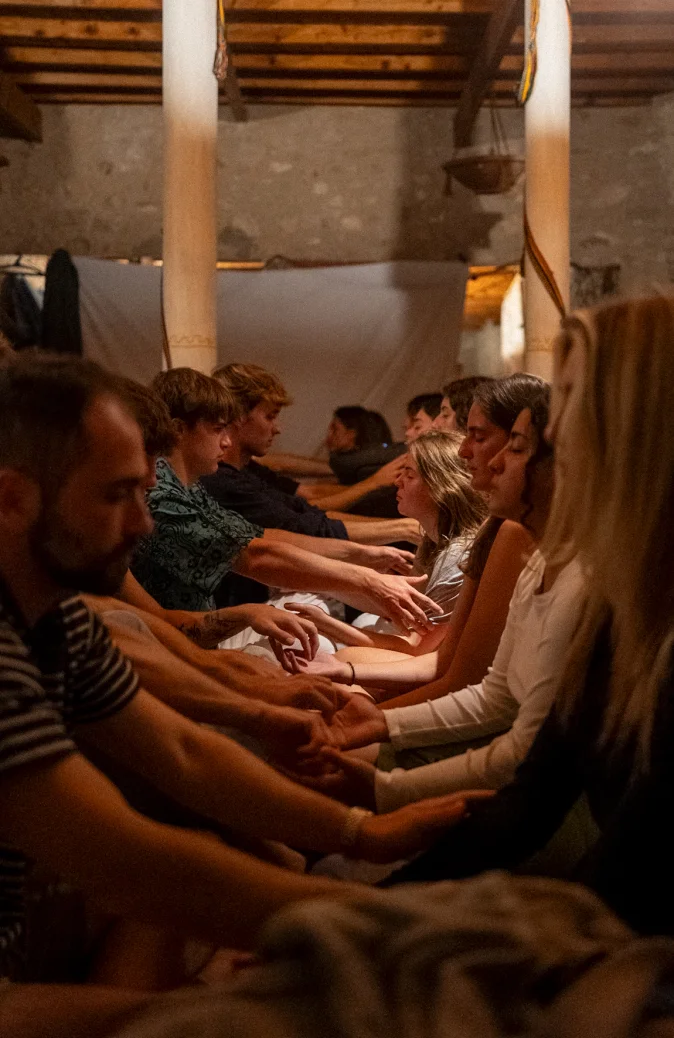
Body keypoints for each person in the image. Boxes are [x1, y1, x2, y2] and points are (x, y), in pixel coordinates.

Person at [0, 351, 486, 1030]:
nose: (143, 524)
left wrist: (363, 832)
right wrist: (396, 931)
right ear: (13, 500)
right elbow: (126, 860)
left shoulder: (53, 615)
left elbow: (183, 752)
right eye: (116, 495)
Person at [383, 294, 674, 940]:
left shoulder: (606, 594)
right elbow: (538, 789)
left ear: (635, 427)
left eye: (572, 400)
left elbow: (630, 874)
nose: (556, 431)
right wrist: (373, 900)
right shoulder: (615, 596)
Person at [305, 384, 586, 824]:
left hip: (532, 799)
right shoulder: (527, 555)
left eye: (509, 445)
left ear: (566, 463)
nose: (471, 454)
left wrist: (383, 783)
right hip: (497, 758)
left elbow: (517, 746)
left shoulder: (545, 558)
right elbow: (491, 694)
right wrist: (378, 721)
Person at [291, 375, 546, 702]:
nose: (464, 449)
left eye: (478, 436)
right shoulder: (486, 534)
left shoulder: (490, 540)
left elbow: (445, 669)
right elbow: (447, 665)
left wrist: (358, 700)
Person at [132, 368, 440, 636]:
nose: (226, 441)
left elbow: (265, 536)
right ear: (177, 430)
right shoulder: (165, 492)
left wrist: (365, 558)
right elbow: (257, 555)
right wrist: (367, 575)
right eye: (217, 430)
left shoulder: (192, 486)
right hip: (181, 644)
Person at [286, 431, 486, 659]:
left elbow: (416, 648)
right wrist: (313, 581)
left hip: (433, 661)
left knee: (339, 655)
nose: (397, 481)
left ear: (439, 486)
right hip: (418, 653)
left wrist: (326, 623)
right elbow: (404, 608)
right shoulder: (432, 540)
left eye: (409, 475)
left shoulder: (457, 556)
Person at [202, 362, 418, 548]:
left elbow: (306, 511)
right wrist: (400, 526)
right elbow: (302, 526)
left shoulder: (247, 470)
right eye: (270, 417)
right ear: (239, 417)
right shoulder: (221, 480)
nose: (277, 428)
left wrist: (402, 526)